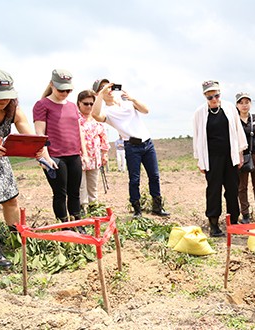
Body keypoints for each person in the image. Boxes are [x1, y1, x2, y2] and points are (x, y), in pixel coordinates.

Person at [0, 69, 49, 268]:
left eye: (7, 96)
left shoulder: (13, 110)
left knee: (11, 199)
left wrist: (42, 155)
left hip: (0, 159)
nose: (3, 100)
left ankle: (17, 239)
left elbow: (30, 138)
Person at [91, 79, 169, 218]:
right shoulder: (107, 112)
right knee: (134, 179)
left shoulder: (127, 102)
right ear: (99, 93)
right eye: (103, 88)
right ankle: (136, 209)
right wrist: (100, 95)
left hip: (147, 143)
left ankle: (157, 206)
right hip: (132, 146)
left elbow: (146, 110)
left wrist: (132, 98)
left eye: (109, 86)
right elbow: (95, 115)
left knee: (155, 176)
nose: (108, 89)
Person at [33, 69, 87, 229]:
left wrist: (83, 153)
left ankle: (77, 222)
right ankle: (64, 225)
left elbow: (78, 129)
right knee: (60, 193)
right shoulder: (42, 105)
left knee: (75, 192)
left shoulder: (72, 106)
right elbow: (39, 133)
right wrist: (46, 157)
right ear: (52, 85)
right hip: (55, 156)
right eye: (61, 89)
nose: (65, 93)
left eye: (68, 90)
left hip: (74, 155)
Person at [193, 80, 247, 237]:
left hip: (230, 156)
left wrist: (240, 154)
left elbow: (238, 131)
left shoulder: (230, 108)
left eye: (216, 95)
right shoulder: (199, 113)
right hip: (211, 158)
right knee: (213, 190)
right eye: (210, 97)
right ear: (205, 96)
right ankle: (214, 224)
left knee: (232, 189)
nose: (214, 99)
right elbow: (197, 137)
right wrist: (199, 160)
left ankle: (234, 222)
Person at [77, 90, 110, 214]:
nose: (89, 107)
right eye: (86, 104)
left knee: (93, 184)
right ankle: (83, 208)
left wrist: (105, 153)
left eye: (91, 104)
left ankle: (94, 207)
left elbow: (103, 137)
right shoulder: (75, 118)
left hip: (95, 157)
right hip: (79, 157)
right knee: (81, 185)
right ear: (79, 103)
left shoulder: (97, 118)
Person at [235, 92, 255, 224]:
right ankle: (245, 214)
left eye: (247, 102)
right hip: (241, 156)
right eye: (241, 103)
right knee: (242, 186)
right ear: (237, 105)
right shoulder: (234, 120)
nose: (244, 105)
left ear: (250, 104)